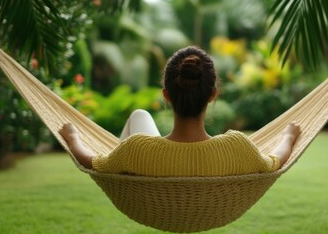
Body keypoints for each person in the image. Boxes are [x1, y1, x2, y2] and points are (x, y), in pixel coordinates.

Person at [59, 46, 301, 177]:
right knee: (140, 116)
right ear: (212, 95)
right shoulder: (235, 147)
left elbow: (92, 162)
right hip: (208, 208)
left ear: (166, 96)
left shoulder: (136, 149)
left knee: (139, 116)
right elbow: (275, 161)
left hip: (149, 196)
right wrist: (289, 136)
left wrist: (73, 137)